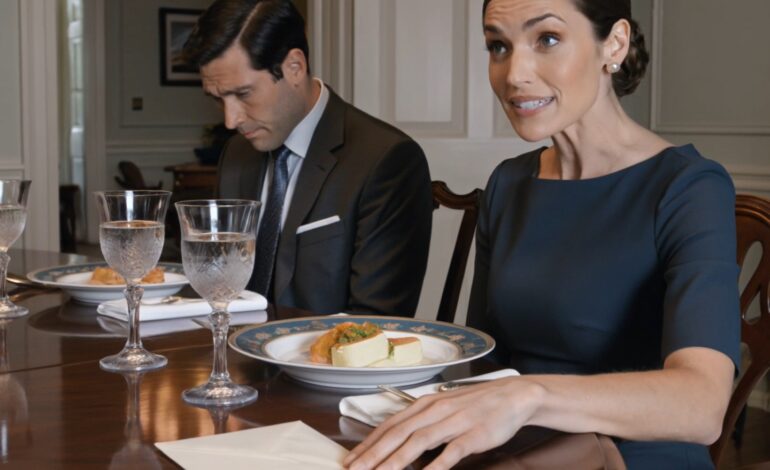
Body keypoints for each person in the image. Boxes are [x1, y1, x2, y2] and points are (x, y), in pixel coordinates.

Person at [344, 0, 739, 468]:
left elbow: (702, 404)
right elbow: (485, 359)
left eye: (547, 39)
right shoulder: (508, 183)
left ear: (614, 43)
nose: (514, 74)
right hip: (516, 447)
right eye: (498, 46)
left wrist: (528, 397)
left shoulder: (688, 187)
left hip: (635, 454)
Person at [182, 0, 433, 316]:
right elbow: (217, 285)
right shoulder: (236, 154)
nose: (231, 120)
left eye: (244, 94)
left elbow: (375, 321)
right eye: (218, 99)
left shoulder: (386, 160)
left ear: (294, 67)